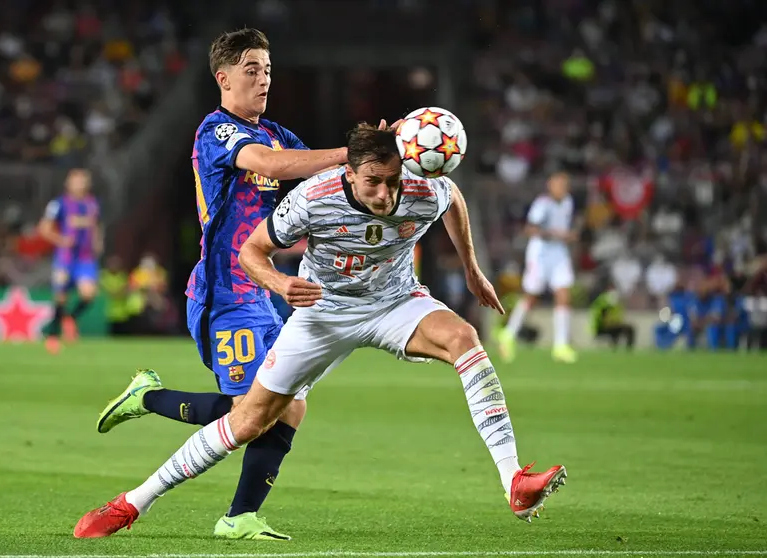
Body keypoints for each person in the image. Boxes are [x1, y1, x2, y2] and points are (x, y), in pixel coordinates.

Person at [73, 124, 567, 538]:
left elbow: (452, 196)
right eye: (374, 181)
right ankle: (133, 502)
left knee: (465, 340)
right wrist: (281, 283)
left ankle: (514, 483)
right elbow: (251, 252)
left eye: (393, 180)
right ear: (349, 173)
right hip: (321, 312)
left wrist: (473, 270)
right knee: (248, 421)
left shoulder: (422, 185)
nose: (386, 193)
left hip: (395, 302)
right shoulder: (314, 197)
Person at [89, 28, 352, 541]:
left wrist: (374, 156)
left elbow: (315, 176)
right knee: (246, 411)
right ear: (223, 77)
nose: (263, 79)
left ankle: (240, 517)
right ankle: (148, 398)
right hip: (225, 294)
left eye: (268, 70)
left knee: (290, 402)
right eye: (252, 69)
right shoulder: (218, 131)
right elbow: (271, 166)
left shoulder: (278, 132)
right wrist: (347, 153)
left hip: (266, 294)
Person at [498, 172, 579, 363]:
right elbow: (530, 229)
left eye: (565, 185)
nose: (562, 188)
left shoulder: (568, 202)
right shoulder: (542, 204)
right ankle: (509, 334)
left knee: (564, 294)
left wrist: (568, 236)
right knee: (531, 296)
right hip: (540, 254)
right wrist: (556, 234)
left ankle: (560, 345)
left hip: (559, 254)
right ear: (550, 185)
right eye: (559, 184)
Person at [38, 168, 102, 354]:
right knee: (61, 298)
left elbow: (96, 225)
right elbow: (44, 228)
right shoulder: (58, 204)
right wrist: (62, 240)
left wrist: (98, 242)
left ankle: (71, 318)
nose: (80, 184)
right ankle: (52, 336)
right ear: (68, 183)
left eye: (83, 181)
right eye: (76, 181)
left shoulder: (93, 204)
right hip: (65, 258)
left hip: (85, 258)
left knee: (89, 293)